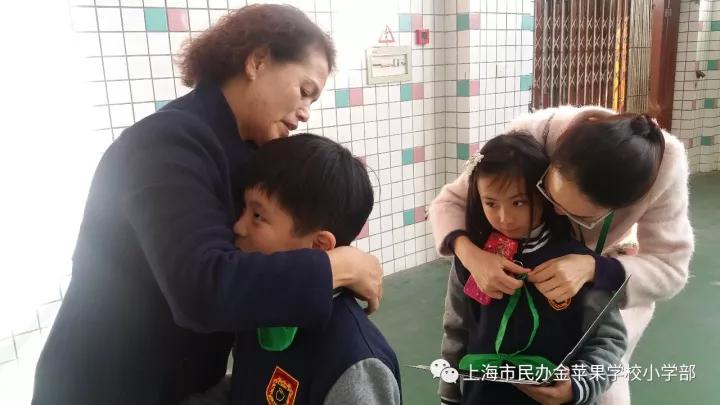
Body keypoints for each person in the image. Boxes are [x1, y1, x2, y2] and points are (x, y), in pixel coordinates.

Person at [33, 5, 383, 405]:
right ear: (257, 61)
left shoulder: (241, 149)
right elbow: (202, 287)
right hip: (109, 383)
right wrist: (338, 266)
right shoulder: (167, 143)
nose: (305, 112)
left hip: (184, 382)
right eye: (305, 91)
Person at [429, 106, 694, 404]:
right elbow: (451, 202)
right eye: (548, 194)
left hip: (607, 278)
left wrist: (595, 269)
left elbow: (669, 270)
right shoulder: (528, 138)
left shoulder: (664, 169)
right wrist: (470, 256)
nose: (555, 212)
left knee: (603, 387)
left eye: (578, 215)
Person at [183, 134, 401, 405]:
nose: (238, 227)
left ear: (318, 246)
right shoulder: (260, 308)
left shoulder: (355, 366)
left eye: (258, 216)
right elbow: (247, 387)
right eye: (243, 208)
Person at [438, 133, 626, 405]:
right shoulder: (472, 259)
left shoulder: (577, 264)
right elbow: (456, 331)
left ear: (544, 194)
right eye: (491, 203)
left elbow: (609, 339)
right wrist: (449, 394)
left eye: (519, 202)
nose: (505, 218)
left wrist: (578, 386)